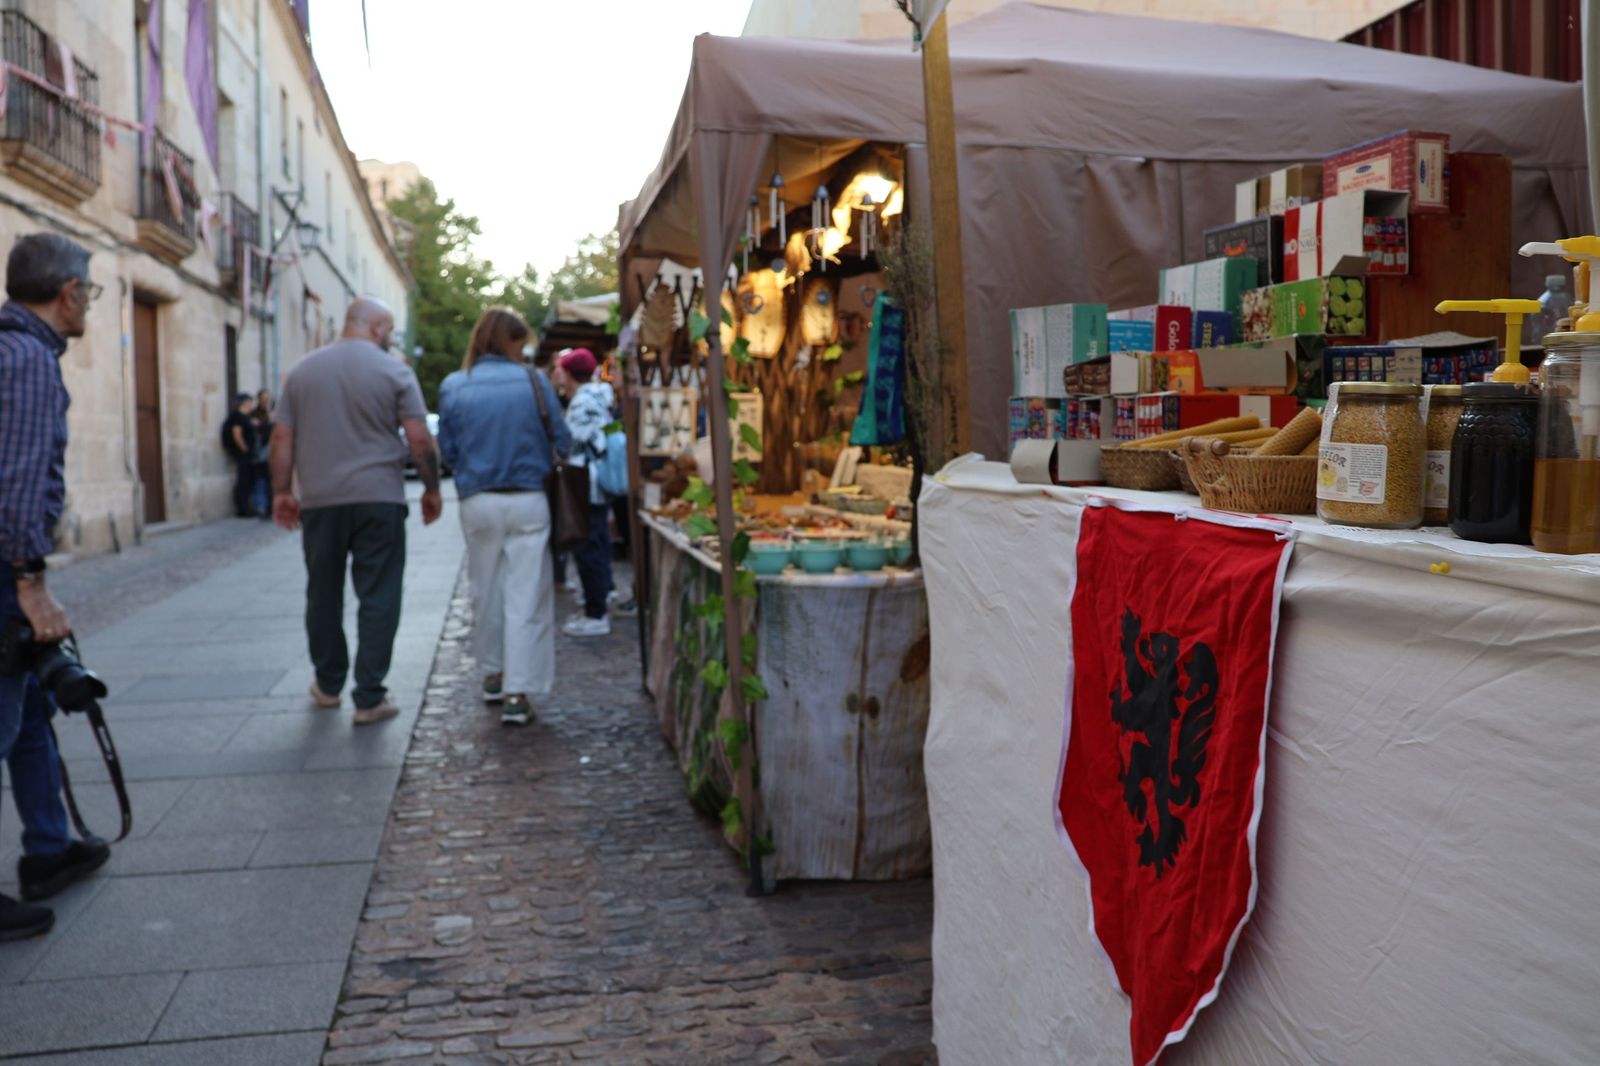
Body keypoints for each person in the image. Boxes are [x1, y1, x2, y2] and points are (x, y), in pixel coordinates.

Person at [0, 234, 112, 942]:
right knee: (6, 717)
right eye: (90, 293)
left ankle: (49, 849)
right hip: (4, 570)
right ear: (68, 291)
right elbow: (14, 486)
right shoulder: (29, 361)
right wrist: (29, 584)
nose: (89, 306)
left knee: (33, 707)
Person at [270, 297, 442, 726]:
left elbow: (280, 437)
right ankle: (369, 697)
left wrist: (281, 492)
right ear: (378, 327)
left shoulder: (302, 372)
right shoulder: (395, 371)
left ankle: (328, 685)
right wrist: (431, 488)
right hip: (379, 496)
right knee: (379, 594)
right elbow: (419, 438)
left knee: (322, 593)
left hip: (321, 501)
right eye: (390, 331)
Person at [437, 308, 570, 726]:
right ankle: (518, 692)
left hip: (479, 500)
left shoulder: (456, 385)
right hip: (528, 497)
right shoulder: (534, 381)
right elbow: (562, 441)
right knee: (525, 595)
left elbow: (449, 450)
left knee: (486, 590)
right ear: (512, 341)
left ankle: (494, 674)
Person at [552, 348, 617, 638]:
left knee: (589, 545)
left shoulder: (583, 402)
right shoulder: (594, 397)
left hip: (584, 484)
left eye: (559, 369)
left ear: (568, 373)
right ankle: (599, 597)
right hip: (592, 483)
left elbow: (571, 442)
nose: (556, 374)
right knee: (596, 542)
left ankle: (595, 612)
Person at [221, 392, 258, 517]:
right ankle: (242, 509)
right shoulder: (237, 417)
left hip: (247, 454)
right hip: (243, 454)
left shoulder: (245, 417)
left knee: (248, 480)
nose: (250, 405)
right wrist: (245, 449)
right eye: (249, 402)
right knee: (243, 480)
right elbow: (237, 434)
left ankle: (247, 507)